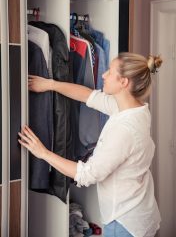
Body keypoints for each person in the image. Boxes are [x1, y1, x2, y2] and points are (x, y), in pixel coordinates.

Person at [18, 52, 162, 237]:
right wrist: (50, 84)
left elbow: (87, 174)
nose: (103, 75)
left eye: (110, 71)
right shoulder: (135, 110)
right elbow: (89, 96)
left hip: (125, 222)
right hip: (140, 209)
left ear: (124, 82)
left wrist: (43, 153)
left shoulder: (125, 129)